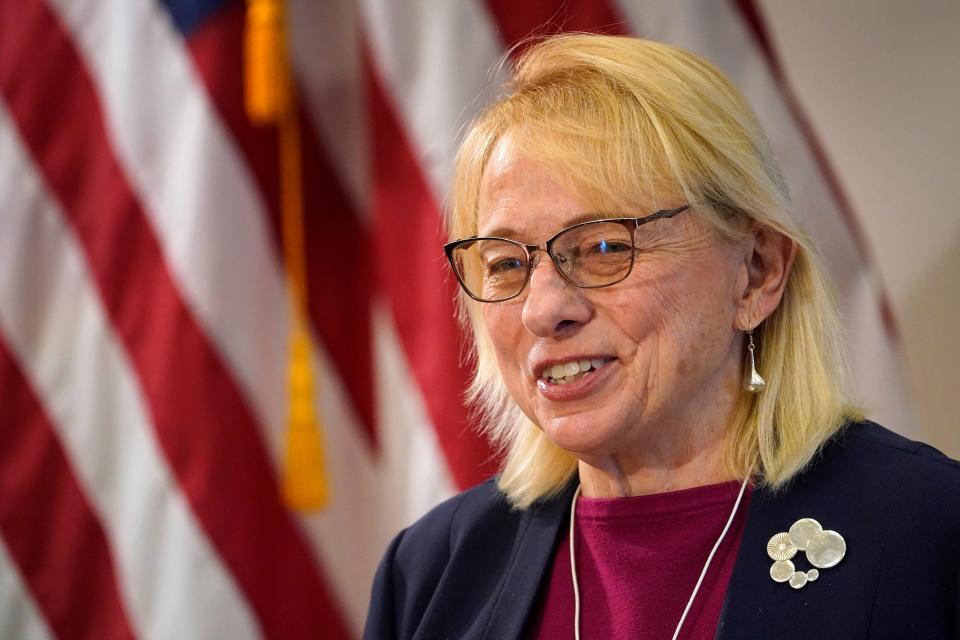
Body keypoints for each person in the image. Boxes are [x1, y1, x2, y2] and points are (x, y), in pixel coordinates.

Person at [363, 34, 960, 640]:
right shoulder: (430, 571)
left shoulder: (930, 531)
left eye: (602, 247)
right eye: (507, 263)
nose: (543, 310)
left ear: (757, 272)